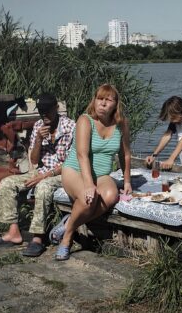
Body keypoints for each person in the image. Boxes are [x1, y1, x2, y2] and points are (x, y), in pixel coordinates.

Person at [0, 93, 75, 257]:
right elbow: (34, 160)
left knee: (43, 186)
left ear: (56, 108)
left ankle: (38, 238)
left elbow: (71, 163)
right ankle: (13, 232)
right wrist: (38, 141)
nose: (44, 115)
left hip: (63, 173)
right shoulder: (38, 126)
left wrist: (43, 176)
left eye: (47, 111)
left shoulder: (71, 127)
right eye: (41, 111)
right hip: (41, 170)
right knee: (7, 183)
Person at [53, 84, 132, 261]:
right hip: (75, 169)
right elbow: (82, 155)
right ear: (94, 101)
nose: (103, 104)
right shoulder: (85, 120)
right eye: (100, 99)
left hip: (102, 174)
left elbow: (125, 154)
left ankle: (69, 224)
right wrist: (89, 185)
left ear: (116, 104)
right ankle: (67, 239)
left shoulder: (122, 124)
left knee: (111, 196)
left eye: (108, 100)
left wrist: (127, 181)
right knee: (89, 199)